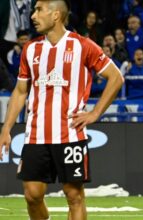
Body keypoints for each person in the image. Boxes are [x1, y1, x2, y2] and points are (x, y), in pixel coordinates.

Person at [0, 1, 124, 220]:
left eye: (39, 10)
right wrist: (6, 128)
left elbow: (115, 77)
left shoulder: (83, 46)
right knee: (32, 195)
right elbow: (20, 92)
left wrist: (95, 113)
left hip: (70, 133)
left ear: (55, 15)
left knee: (74, 196)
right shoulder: (31, 49)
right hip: (36, 135)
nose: (33, 16)